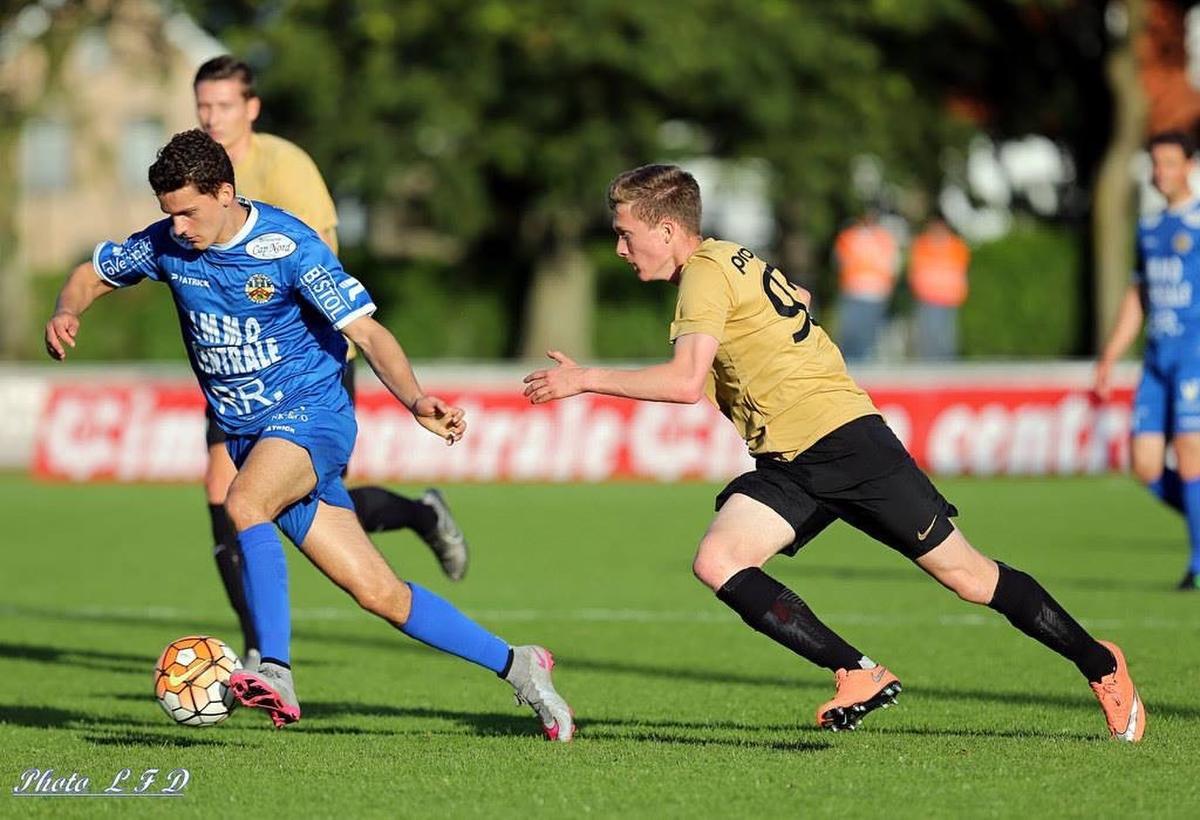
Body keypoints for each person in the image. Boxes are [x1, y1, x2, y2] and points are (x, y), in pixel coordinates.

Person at [524, 164, 1144, 741]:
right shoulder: (724, 260)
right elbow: (796, 299)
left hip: (847, 443)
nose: (620, 248)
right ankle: (857, 671)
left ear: (666, 228)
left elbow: (686, 383)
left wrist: (584, 380)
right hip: (791, 459)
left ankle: (1100, 663)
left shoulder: (706, 276)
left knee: (970, 578)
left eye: (627, 234)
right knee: (719, 560)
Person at [44, 129, 574, 740]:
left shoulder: (288, 245)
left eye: (189, 211)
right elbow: (90, 273)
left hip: (314, 415)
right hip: (248, 433)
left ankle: (274, 670)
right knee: (380, 593)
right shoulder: (167, 245)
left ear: (224, 191)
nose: (180, 226)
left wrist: (415, 399)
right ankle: (520, 665)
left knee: (243, 501)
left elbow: (370, 333)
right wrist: (66, 310)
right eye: (170, 214)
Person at [193, 56, 468, 670]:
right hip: (238, 365)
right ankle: (261, 647)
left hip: (306, 361)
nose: (211, 117)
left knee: (270, 495)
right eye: (203, 106)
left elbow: (320, 261)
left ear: (251, 109)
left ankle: (268, 655)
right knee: (243, 495)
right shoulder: (196, 175)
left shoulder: (285, 166)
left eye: (224, 106)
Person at [1096, 130, 1200, 592]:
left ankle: (1197, 567)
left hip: (1194, 358)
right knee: (1145, 467)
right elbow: (1139, 297)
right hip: (1157, 362)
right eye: (1156, 164)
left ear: (1190, 166)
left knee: (1193, 459)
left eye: (1171, 163)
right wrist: (1110, 357)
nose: (1162, 173)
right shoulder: (1150, 228)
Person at [832, 211, 899, 362]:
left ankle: (866, 365)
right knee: (851, 334)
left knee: (869, 336)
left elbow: (891, 266)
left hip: (876, 293)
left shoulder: (884, 239)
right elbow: (840, 261)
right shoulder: (850, 236)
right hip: (854, 291)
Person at [908, 216, 970, 360]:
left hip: (949, 297)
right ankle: (929, 363)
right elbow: (916, 270)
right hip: (928, 297)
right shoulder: (923, 245)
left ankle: (946, 363)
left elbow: (961, 270)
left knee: (947, 335)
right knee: (929, 333)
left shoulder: (956, 246)